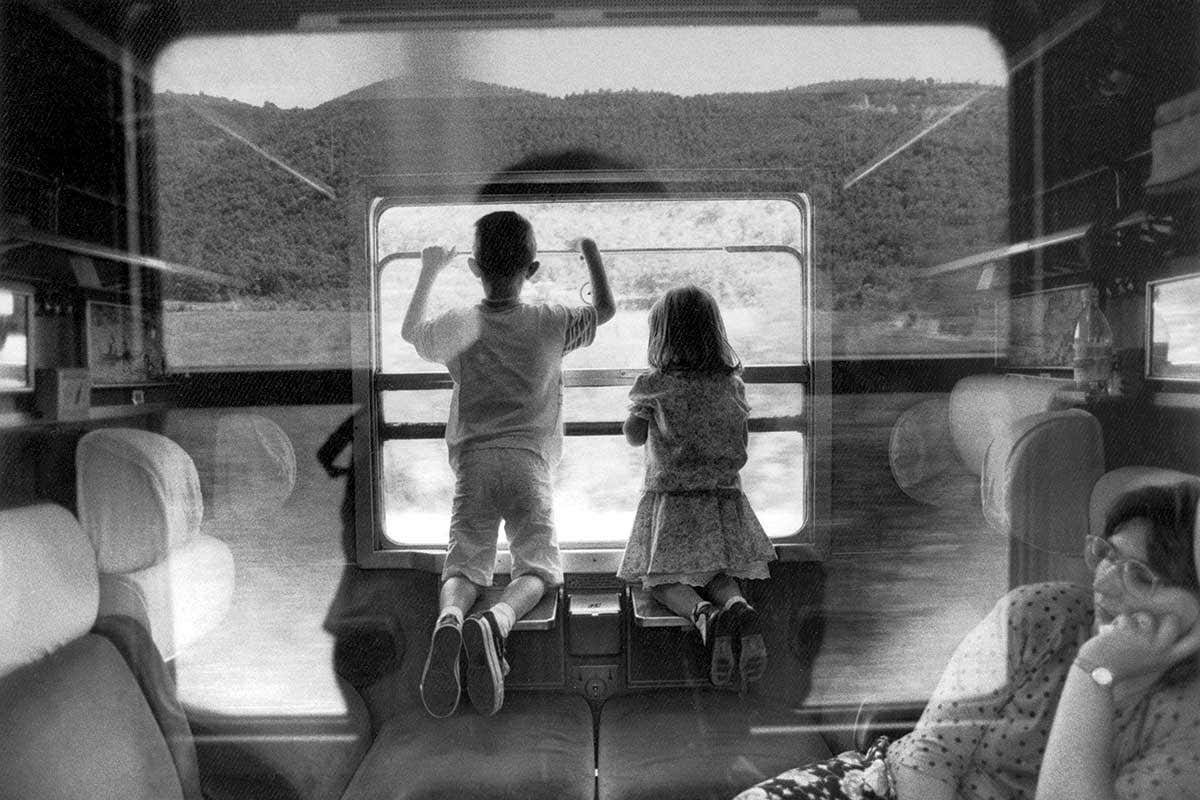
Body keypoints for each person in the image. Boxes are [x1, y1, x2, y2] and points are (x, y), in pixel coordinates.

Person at [732, 480, 1200, 800]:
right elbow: (928, 762)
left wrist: (1095, 674)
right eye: (1107, 555)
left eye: (1140, 575)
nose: (1105, 583)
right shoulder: (1041, 614)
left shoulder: (1186, 728)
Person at [401, 210, 615, 717]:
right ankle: (496, 621)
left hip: (473, 464)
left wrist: (430, 269)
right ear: (533, 269)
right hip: (529, 465)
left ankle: (451, 617)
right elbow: (604, 310)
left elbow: (412, 330)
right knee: (539, 568)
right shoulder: (551, 321)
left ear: (475, 268)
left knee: (466, 563)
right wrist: (589, 250)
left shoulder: (459, 324)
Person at [617, 284, 777, 686]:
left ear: (661, 337)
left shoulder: (654, 384)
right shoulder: (731, 384)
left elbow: (635, 436)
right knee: (718, 575)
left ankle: (705, 616)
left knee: (661, 581)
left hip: (673, 504)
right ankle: (737, 605)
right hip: (723, 501)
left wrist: (640, 415)